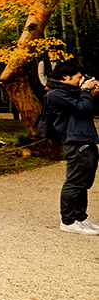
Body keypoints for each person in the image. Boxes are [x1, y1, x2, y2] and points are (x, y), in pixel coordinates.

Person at [44, 58, 99, 234]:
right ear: (65, 77)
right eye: (78, 77)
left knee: (83, 183)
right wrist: (84, 91)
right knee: (74, 182)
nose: (81, 80)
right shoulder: (55, 94)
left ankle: (80, 217)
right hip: (76, 141)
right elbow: (82, 109)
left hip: (84, 138)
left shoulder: (70, 92)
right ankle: (68, 221)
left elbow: (86, 108)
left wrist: (90, 94)